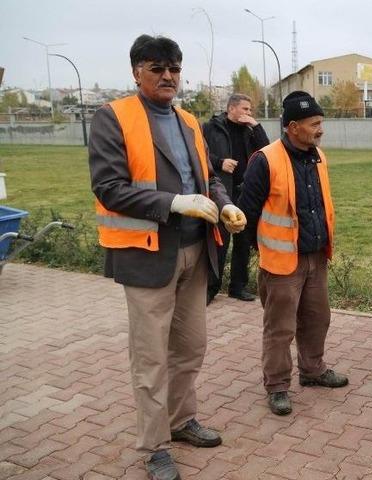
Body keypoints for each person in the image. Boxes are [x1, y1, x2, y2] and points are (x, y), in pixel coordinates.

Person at [88, 35, 246, 480]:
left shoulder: (188, 122)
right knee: (151, 356)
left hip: (196, 250)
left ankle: (180, 420)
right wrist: (175, 204)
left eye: (174, 68)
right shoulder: (112, 117)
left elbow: (208, 175)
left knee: (191, 346)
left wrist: (223, 201)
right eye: (157, 68)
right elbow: (109, 187)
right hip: (147, 255)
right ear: (136, 71)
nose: (168, 76)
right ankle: (156, 446)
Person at [238, 91, 348, 417]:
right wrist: (265, 251)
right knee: (280, 328)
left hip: (316, 256)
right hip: (281, 263)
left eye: (320, 122)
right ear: (293, 127)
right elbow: (246, 215)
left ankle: (312, 370)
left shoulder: (318, 156)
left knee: (317, 318)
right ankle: (277, 386)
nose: (320, 129)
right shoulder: (265, 160)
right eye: (314, 123)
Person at [203, 93, 270, 304]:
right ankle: (210, 288)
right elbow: (199, 155)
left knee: (243, 241)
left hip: (245, 192)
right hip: (222, 193)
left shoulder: (250, 130)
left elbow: (267, 150)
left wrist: (256, 125)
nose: (249, 113)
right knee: (220, 242)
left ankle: (237, 287)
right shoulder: (211, 128)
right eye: (245, 109)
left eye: (250, 110)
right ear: (232, 108)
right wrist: (219, 162)